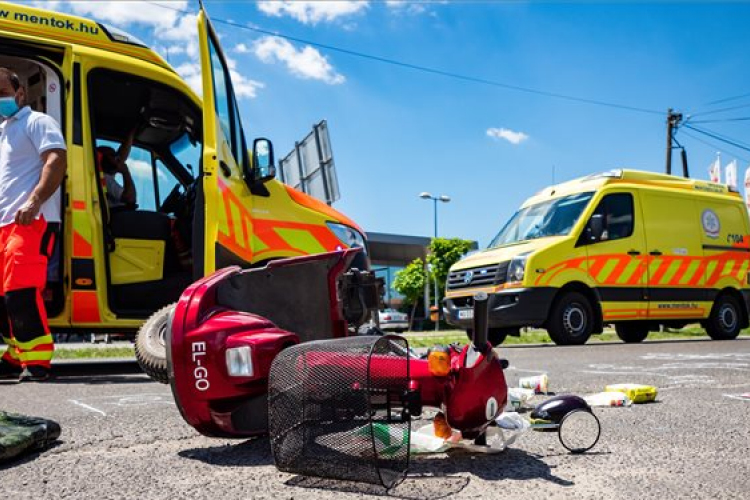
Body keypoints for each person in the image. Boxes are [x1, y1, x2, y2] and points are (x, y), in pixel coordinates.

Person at [0, 67, 67, 382]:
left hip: (31, 220)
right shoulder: (3, 131)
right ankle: (16, 355)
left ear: (20, 93)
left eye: (1, 92)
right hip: (3, 226)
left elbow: (56, 159)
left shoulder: (37, 122)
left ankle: (37, 362)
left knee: (20, 292)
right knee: (4, 297)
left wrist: (35, 200)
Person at [96, 127, 137, 209]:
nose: (117, 159)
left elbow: (121, 156)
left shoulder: (103, 176)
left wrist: (131, 134)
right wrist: (126, 172)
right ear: (103, 159)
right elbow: (130, 198)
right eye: (113, 155)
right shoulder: (104, 178)